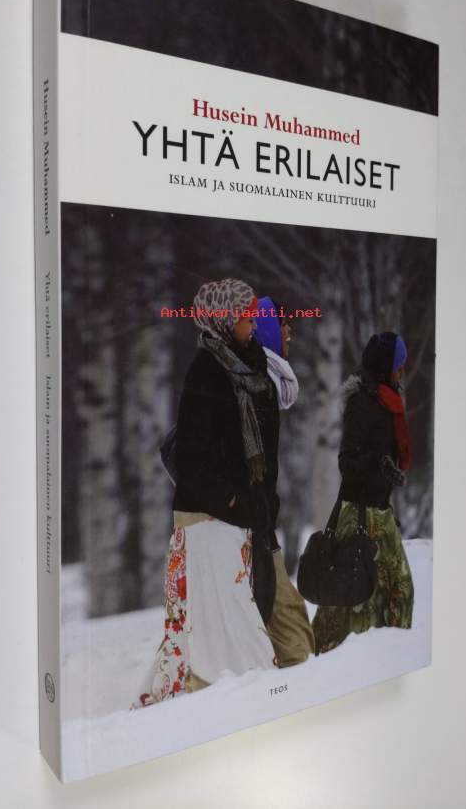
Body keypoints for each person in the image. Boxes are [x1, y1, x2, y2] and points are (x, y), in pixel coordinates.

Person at [134, 278, 279, 706]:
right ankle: (252, 699)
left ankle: (180, 703)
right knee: (228, 623)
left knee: (204, 623)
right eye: (246, 315)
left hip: (230, 520)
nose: (253, 322)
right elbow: (194, 458)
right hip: (209, 519)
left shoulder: (241, 367)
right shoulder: (208, 371)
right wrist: (233, 500)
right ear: (225, 319)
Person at [312, 331, 415, 655]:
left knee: (398, 593)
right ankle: (326, 660)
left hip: (380, 513)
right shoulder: (362, 403)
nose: (402, 371)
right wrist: (379, 463)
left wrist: (387, 469)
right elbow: (348, 462)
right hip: (357, 516)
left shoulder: (390, 402)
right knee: (349, 601)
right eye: (398, 364)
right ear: (385, 366)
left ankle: (390, 657)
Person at [253, 296, 315, 667]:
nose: (289, 331)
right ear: (267, 330)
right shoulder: (259, 385)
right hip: (251, 528)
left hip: (258, 524)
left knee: (287, 620)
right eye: (281, 323)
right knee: (292, 629)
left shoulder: (268, 384)